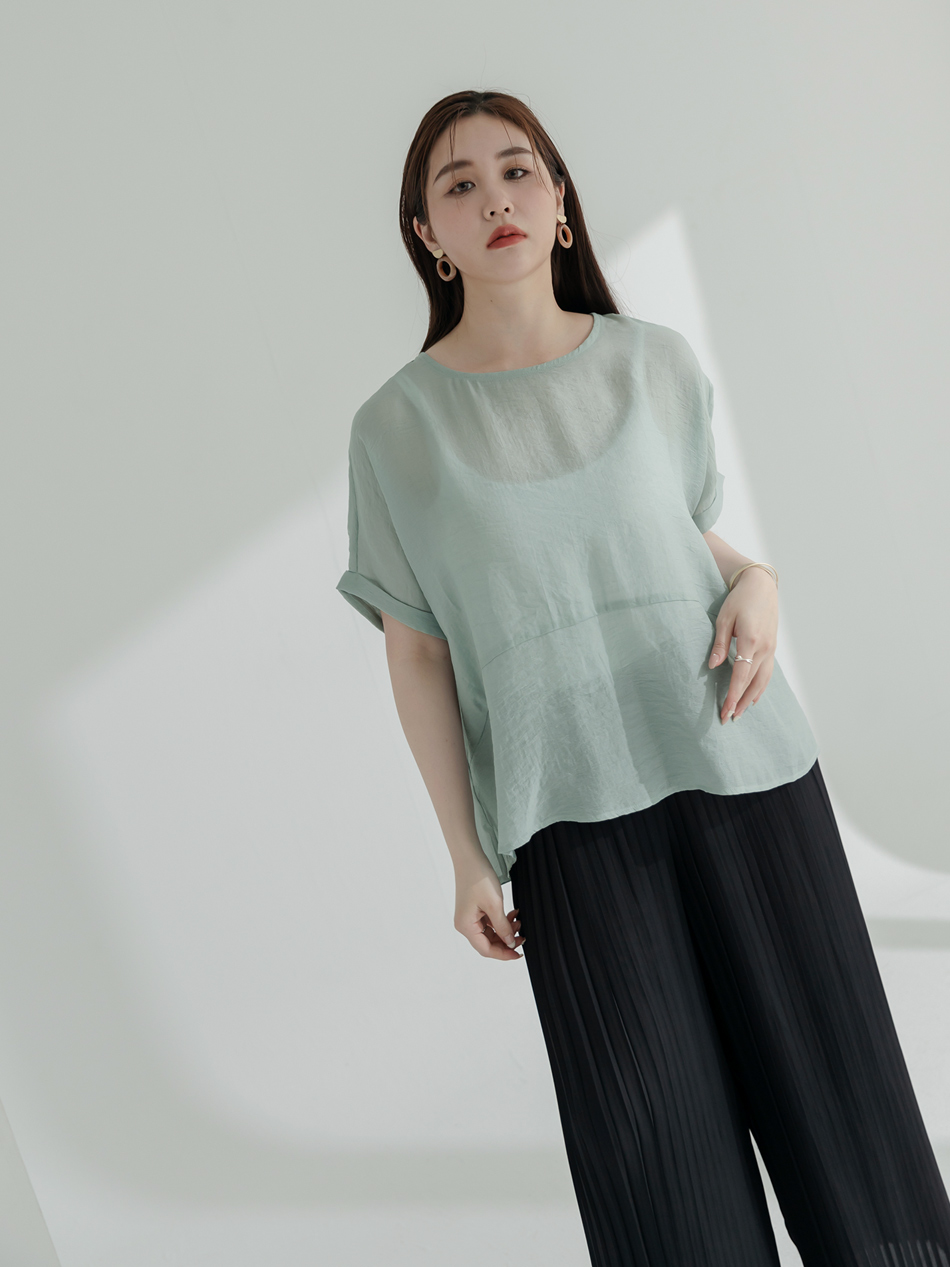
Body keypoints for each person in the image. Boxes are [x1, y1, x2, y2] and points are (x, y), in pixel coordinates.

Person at [335, 88, 950, 1267]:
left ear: (559, 200)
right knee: (661, 1185)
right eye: (459, 184)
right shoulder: (396, 430)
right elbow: (416, 648)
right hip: (567, 829)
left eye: (517, 170)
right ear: (426, 233)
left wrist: (756, 578)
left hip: (743, 776)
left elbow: (662, 544)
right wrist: (464, 853)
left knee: (854, 1138)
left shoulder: (651, 364)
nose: (495, 198)